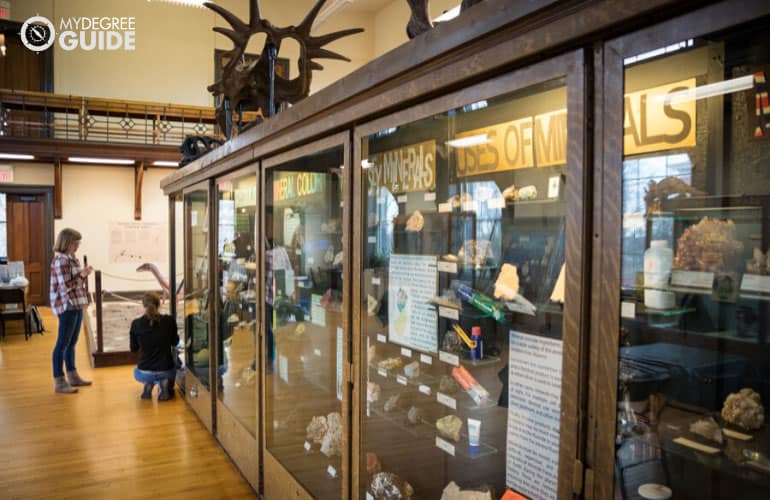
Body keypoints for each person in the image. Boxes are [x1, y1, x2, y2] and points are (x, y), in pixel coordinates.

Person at [50, 228, 94, 394]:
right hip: (66, 305)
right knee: (62, 343)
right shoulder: (61, 260)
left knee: (72, 343)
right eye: (75, 243)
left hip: (75, 304)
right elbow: (65, 287)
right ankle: (59, 380)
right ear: (67, 242)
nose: (77, 246)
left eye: (78, 243)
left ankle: (73, 375)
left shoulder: (71, 259)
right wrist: (83, 275)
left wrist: (82, 275)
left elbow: (74, 282)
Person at [130, 291, 180, 400]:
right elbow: (175, 342)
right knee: (172, 366)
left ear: (143, 305)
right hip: (166, 370)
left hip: (144, 371)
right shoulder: (169, 320)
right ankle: (163, 382)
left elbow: (133, 348)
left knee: (138, 372)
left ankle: (149, 382)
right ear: (159, 304)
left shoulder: (136, 324)